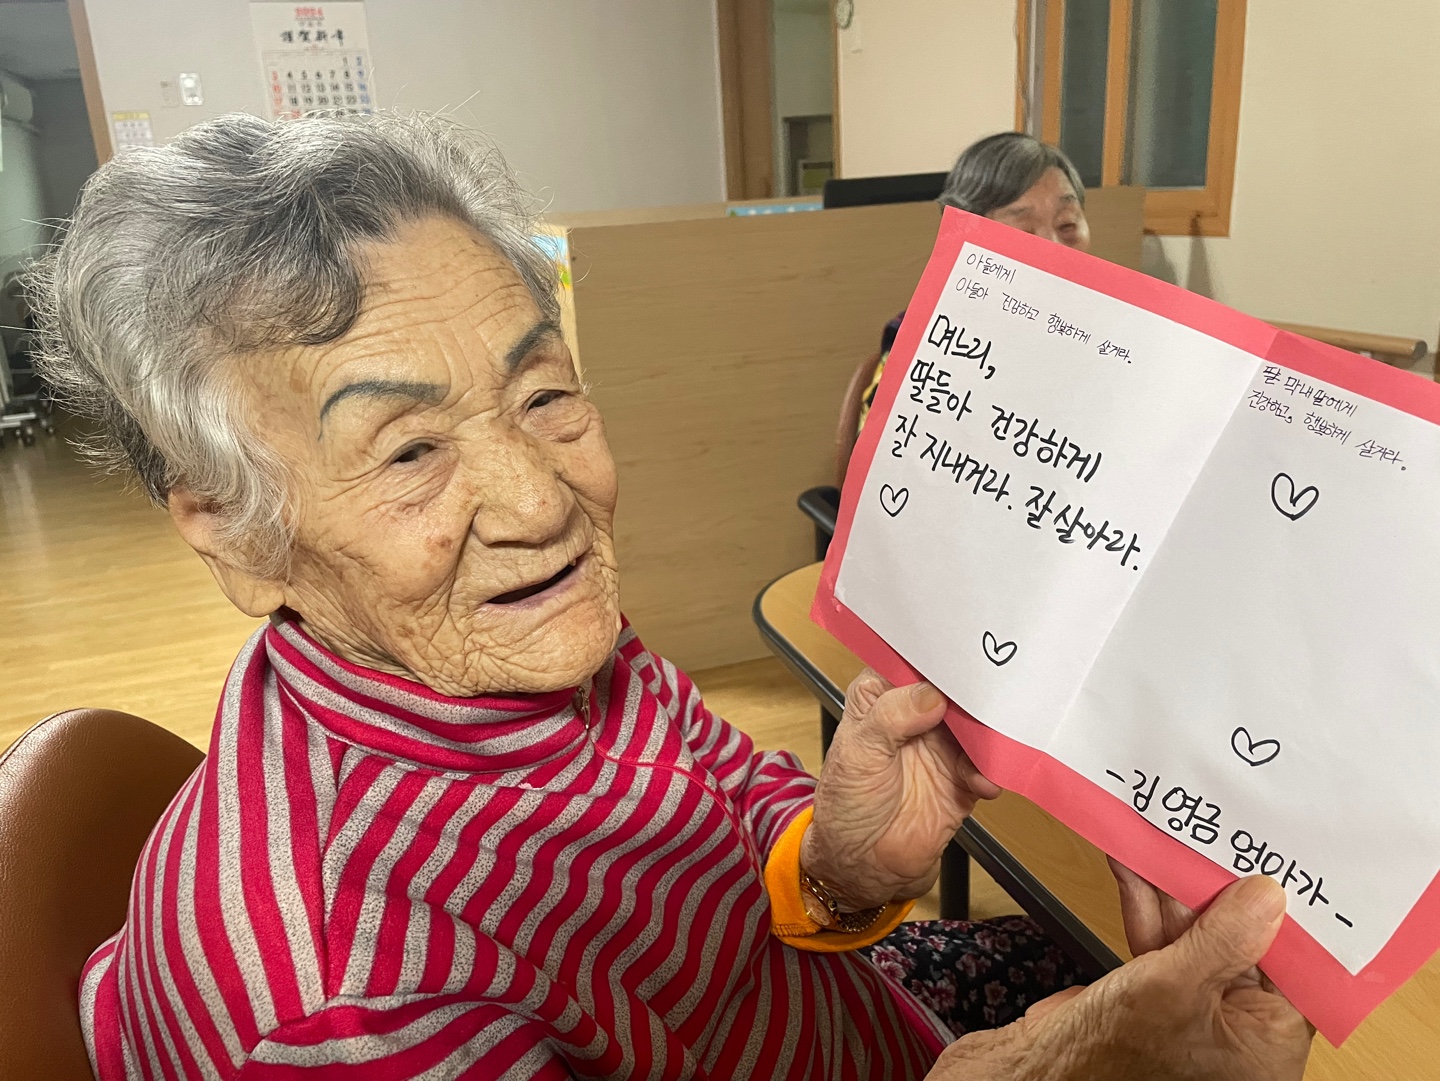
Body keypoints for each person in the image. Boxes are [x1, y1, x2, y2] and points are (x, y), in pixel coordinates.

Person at [31, 112, 1311, 1080]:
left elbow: (726, 809)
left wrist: (843, 861)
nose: (540, 502)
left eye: (544, 395)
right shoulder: (343, 1006)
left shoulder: (523, 634)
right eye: (409, 450)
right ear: (233, 529)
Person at [856, 133, 1092, 434]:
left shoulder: (1119, 337)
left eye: (1067, 224)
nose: (1054, 249)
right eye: (1023, 232)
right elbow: (887, 449)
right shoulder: (926, 341)